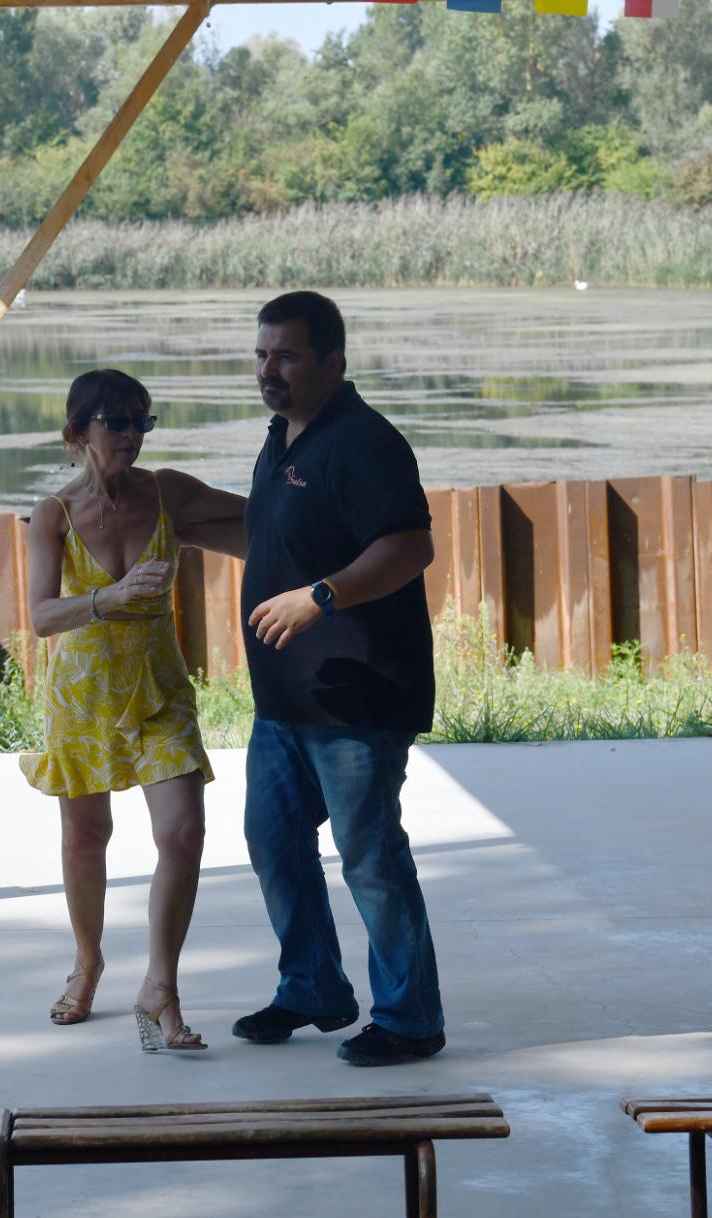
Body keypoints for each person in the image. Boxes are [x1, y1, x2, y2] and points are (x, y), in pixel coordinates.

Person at [230, 291, 447, 1067]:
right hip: (285, 700)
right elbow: (281, 532)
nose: (269, 369)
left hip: (359, 697)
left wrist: (320, 596)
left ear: (332, 361)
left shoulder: (363, 442)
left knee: (369, 853)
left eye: (286, 356)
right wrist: (177, 514)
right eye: (262, 354)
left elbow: (409, 546)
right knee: (273, 840)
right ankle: (313, 986)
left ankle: (411, 1018)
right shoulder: (283, 438)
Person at [20, 368, 246, 1054]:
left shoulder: (166, 491)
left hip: (157, 689)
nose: (132, 434)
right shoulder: (52, 515)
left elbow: (261, 516)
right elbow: (40, 616)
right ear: (77, 431)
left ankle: (161, 986)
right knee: (86, 837)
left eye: (141, 420)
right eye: (116, 421)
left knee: (183, 832)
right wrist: (107, 599)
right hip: (82, 695)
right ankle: (87, 962)